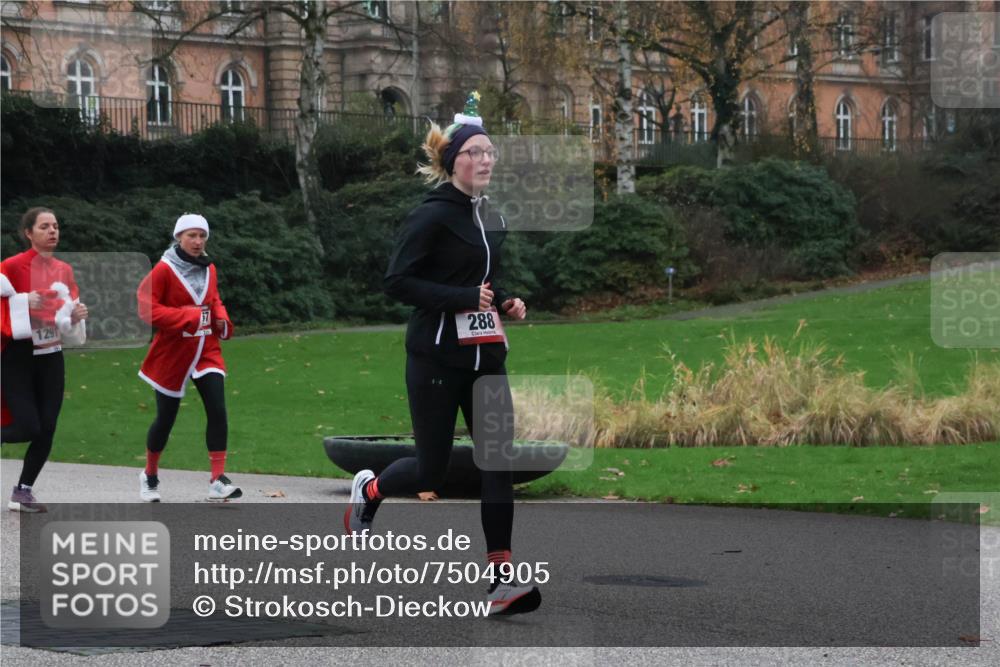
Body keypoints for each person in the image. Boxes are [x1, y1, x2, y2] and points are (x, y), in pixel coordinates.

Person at [343, 92, 539, 616]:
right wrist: (460, 298)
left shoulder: (491, 216)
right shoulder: (429, 216)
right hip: (435, 359)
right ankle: (371, 491)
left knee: (498, 461)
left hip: (486, 358)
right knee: (430, 473)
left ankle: (500, 581)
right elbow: (397, 281)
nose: (486, 160)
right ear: (453, 162)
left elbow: (483, 280)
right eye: (475, 152)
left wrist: (506, 300)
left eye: (490, 152)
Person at [136, 214, 240, 502]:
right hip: (173, 354)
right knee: (165, 419)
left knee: (217, 410)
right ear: (178, 237)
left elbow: (214, 299)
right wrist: (186, 317)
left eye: (202, 236)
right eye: (191, 235)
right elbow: (146, 308)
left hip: (206, 349)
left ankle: (217, 480)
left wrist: (221, 318)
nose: (197, 241)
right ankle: (150, 474)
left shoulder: (209, 267)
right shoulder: (164, 269)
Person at [1, 207, 88, 512]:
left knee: (48, 427)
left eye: (55, 226)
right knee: (28, 427)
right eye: (44, 226)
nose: (52, 231)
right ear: (28, 233)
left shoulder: (63, 269)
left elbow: (67, 308)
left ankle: (23, 492)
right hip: (18, 357)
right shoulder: (11, 266)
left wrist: (75, 315)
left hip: (51, 355)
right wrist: (23, 301)